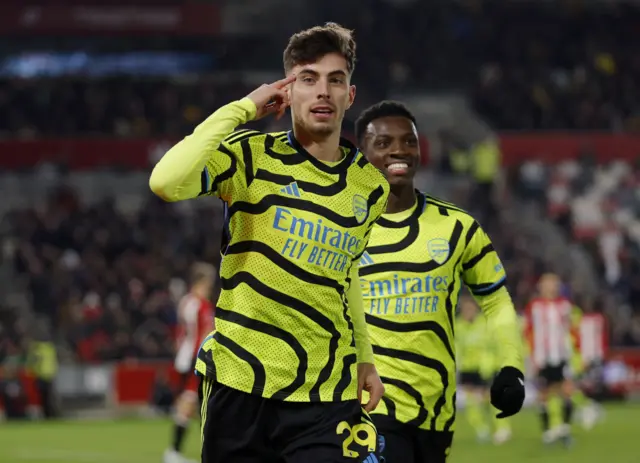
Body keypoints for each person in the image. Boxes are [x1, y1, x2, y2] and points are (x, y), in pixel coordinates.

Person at [150, 23, 389, 463]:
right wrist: (242, 108)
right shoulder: (249, 156)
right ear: (288, 91)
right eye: (308, 79)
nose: (323, 92)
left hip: (325, 393)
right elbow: (165, 180)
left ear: (349, 97)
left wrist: (365, 357)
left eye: (335, 80)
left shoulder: (370, 187)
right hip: (240, 387)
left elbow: (346, 273)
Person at [354, 100, 525, 463]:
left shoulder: (457, 227)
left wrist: (510, 366)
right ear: (361, 154)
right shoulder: (341, 230)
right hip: (369, 407)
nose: (398, 150)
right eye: (383, 143)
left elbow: (495, 300)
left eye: (408, 141)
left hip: (435, 413)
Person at [164, 263, 216, 463]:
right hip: (195, 360)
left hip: (183, 359)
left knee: (193, 405)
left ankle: (177, 452)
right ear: (201, 282)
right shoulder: (200, 305)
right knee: (191, 404)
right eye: (208, 283)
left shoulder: (186, 302)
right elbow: (202, 334)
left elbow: (181, 333)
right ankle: (174, 453)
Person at [523, 273, 575, 445]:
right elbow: (528, 332)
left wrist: (573, 352)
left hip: (561, 355)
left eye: (554, 283)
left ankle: (564, 429)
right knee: (544, 394)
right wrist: (532, 356)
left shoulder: (565, 305)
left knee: (567, 391)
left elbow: (571, 329)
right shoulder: (534, 307)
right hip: (542, 357)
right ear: (540, 286)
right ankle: (548, 430)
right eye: (547, 283)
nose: (551, 286)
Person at [456, 295, 512, 445]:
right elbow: (457, 348)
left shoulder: (485, 323)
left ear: (476, 309)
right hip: (468, 368)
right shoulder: (458, 326)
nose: (468, 312)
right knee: (471, 401)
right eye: (465, 309)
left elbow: (495, 345)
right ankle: (482, 429)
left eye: (471, 308)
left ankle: (502, 428)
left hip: (487, 367)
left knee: (491, 399)